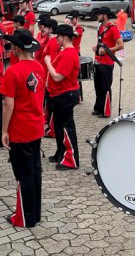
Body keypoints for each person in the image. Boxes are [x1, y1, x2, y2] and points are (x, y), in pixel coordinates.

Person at [0, 29, 45, 228]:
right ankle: (34, 213)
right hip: (35, 126)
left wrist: (4, 131)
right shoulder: (39, 67)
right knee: (34, 171)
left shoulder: (13, 71)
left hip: (20, 128)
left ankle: (24, 217)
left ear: (17, 48)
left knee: (23, 175)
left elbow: (8, 105)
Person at [44, 24, 80, 170]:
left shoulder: (69, 54)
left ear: (64, 37)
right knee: (58, 127)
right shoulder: (64, 51)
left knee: (66, 127)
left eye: (58, 36)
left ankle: (71, 159)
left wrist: (47, 63)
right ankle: (61, 153)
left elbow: (58, 76)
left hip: (66, 94)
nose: (56, 38)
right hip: (59, 94)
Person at [91, 7, 124, 118]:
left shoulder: (113, 28)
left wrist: (107, 50)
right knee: (98, 86)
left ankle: (106, 111)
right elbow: (101, 42)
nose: (97, 16)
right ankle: (98, 107)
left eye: (99, 15)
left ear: (105, 15)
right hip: (98, 61)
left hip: (107, 62)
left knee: (105, 87)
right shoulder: (100, 27)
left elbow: (120, 45)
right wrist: (97, 46)